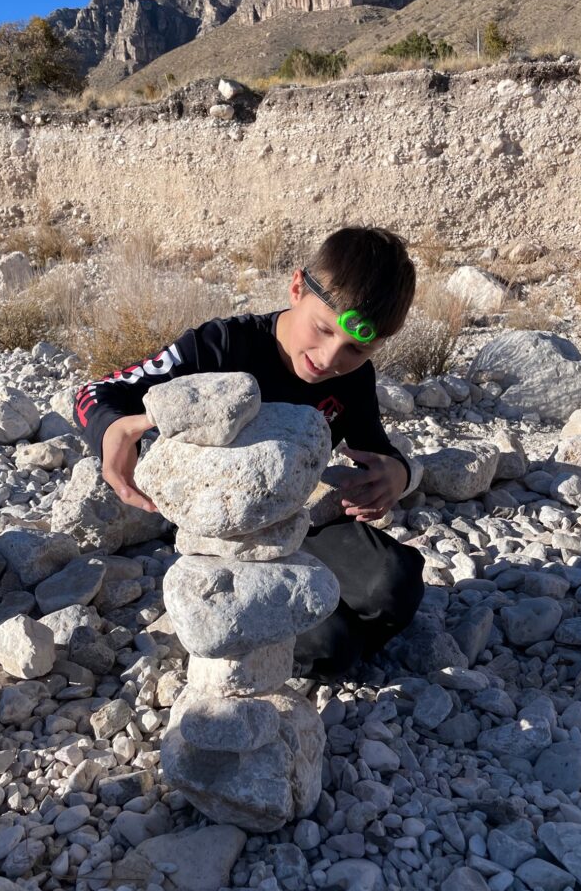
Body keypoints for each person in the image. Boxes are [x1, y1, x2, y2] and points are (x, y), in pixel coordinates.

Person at [73, 226, 425, 682]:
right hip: (219, 536)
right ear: (296, 287)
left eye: (356, 350)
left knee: (394, 585)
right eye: (321, 329)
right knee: (330, 646)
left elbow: (373, 444)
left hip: (293, 523)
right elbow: (97, 391)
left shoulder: (354, 379)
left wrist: (396, 473)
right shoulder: (219, 345)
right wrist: (112, 430)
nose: (329, 357)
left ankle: (326, 635)